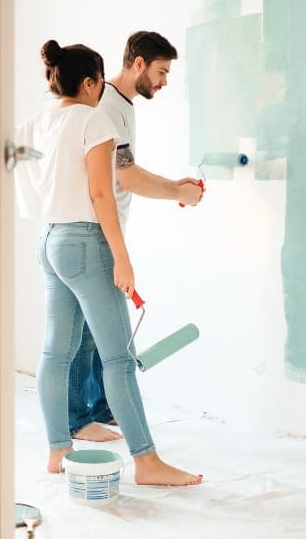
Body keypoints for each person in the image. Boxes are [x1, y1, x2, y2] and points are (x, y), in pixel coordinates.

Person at [14, 38, 202, 486]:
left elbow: (19, 166)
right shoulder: (94, 119)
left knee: (54, 352)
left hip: (50, 240)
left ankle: (58, 449)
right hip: (85, 242)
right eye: (99, 83)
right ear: (89, 82)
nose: (102, 91)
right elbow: (103, 195)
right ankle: (148, 462)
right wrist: (123, 259)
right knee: (118, 358)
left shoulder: (40, 122)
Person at [67, 31, 204, 442]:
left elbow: (125, 170)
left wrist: (174, 184)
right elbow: (126, 176)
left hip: (102, 233)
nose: (164, 82)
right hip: (93, 234)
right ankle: (78, 418)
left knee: (94, 330)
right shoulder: (108, 105)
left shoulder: (119, 106)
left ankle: (101, 407)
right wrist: (178, 193)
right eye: (161, 72)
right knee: (86, 332)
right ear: (138, 63)